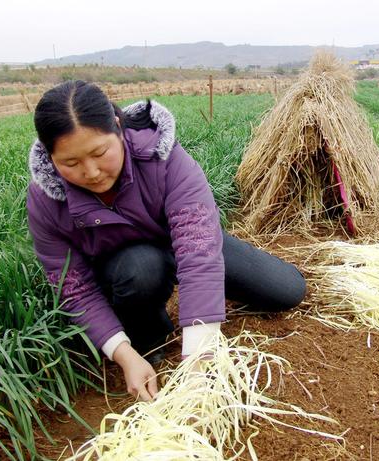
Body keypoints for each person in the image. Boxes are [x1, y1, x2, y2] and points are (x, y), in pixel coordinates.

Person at [26, 80, 306, 402]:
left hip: (182, 242)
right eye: (70, 164)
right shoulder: (46, 200)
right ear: (50, 156)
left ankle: (199, 297)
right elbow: (73, 287)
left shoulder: (164, 160)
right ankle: (148, 337)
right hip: (125, 269)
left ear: (118, 128)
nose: (91, 172)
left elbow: (198, 251)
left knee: (286, 290)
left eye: (100, 153)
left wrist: (199, 359)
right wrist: (123, 353)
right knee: (141, 267)